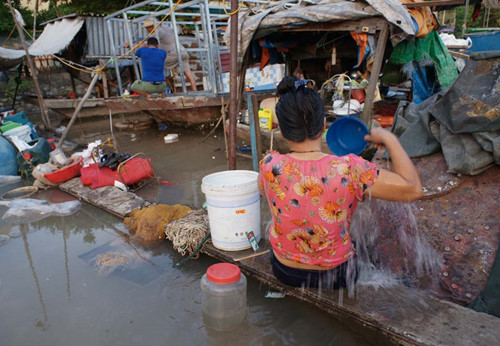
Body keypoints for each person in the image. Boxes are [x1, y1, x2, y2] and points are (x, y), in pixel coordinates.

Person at [259, 76, 422, 290]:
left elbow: (265, 192)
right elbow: (413, 189)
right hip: (336, 276)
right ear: (324, 125)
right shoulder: (349, 169)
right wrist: (390, 139)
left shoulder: (269, 164)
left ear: (281, 131)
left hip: (286, 271)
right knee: (360, 243)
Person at [142, 19, 197, 91]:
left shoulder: (157, 33)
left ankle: (158, 87)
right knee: (188, 73)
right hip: (183, 52)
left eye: (147, 28)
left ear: (151, 27)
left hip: (174, 54)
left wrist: (132, 45)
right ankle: (195, 91)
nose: (147, 30)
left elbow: (148, 45)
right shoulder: (166, 27)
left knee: (157, 63)